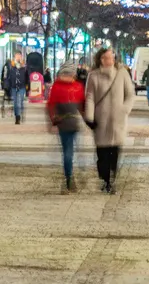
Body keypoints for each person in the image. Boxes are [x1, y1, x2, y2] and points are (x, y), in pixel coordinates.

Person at [84, 46, 134, 194]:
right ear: (101, 59)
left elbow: (130, 94)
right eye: (107, 57)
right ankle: (105, 179)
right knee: (102, 154)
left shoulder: (122, 73)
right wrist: (90, 117)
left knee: (115, 152)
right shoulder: (93, 76)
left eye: (112, 57)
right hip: (101, 120)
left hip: (118, 120)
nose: (110, 60)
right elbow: (90, 98)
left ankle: (111, 179)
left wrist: (125, 109)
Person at [46, 64, 85, 192]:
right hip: (71, 122)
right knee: (70, 150)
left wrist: (52, 120)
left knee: (67, 150)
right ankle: (69, 177)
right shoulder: (77, 87)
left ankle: (68, 177)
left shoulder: (57, 87)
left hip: (64, 122)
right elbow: (82, 105)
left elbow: (51, 105)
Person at [2, 54, 28, 124]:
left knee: (20, 101)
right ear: (15, 58)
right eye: (17, 56)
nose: (18, 58)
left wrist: (27, 86)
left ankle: (19, 115)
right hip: (13, 87)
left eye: (19, 56)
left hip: (22, 87)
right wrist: (6, 85)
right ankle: (17, 116)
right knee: (16, 102)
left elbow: (27, 77)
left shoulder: (24, 67)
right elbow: (8, 77)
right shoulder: (11, 66)